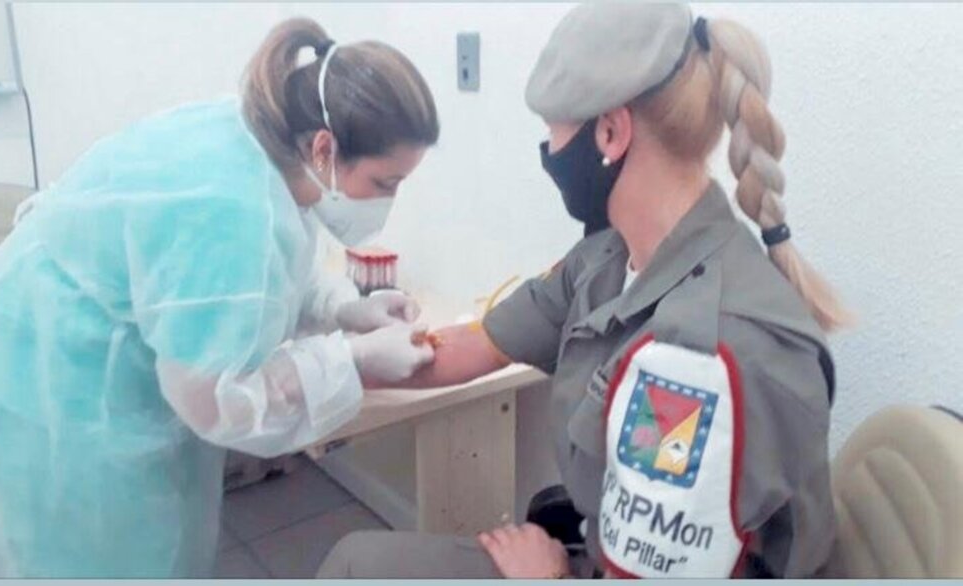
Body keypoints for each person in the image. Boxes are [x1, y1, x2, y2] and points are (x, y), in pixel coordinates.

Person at [317, 3, 852, 579]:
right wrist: (335, 365)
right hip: (598, 552)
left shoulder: (698, 362)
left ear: (610, 132)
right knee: (356, 559)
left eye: (554, 130)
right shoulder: (609, 259)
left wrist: (548, 576)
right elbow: (477, 344)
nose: (549, 150)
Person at [0, 17, 439, 578]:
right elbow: (218, 401)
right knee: (83, 559)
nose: (389, 200)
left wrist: (342, 308)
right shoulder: (231, 203)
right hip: (40, 385)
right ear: (325, 148)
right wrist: (352, 359)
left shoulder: (263, 144)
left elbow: (257, 269)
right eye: (385, 183)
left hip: (57, 344)